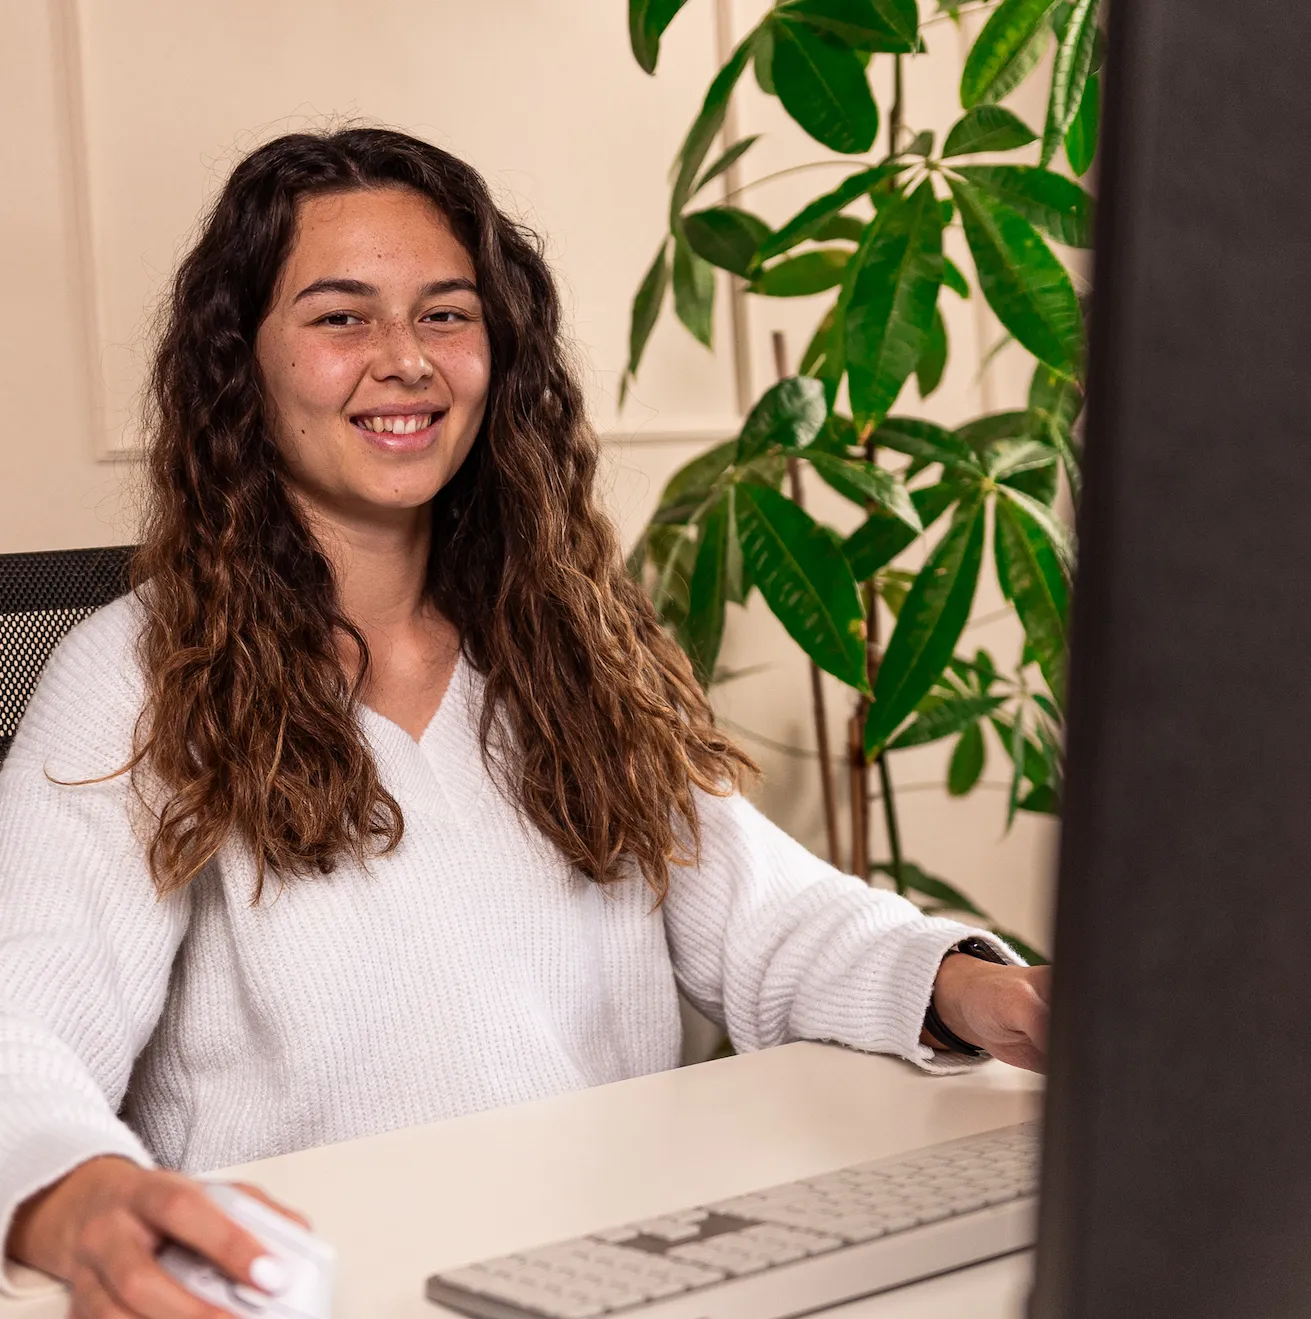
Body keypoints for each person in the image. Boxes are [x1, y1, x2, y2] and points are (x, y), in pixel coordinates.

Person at [0, 127, 1050, 1317]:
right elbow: (18, 1022)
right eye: (340, 316)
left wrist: (965, 983)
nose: (405, 360)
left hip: (613, 1269)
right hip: (329, 1286)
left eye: (446, 314)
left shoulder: (571, 637)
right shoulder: (137, 676)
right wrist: (79, 1196)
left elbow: (767, 913)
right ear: (240, 364)